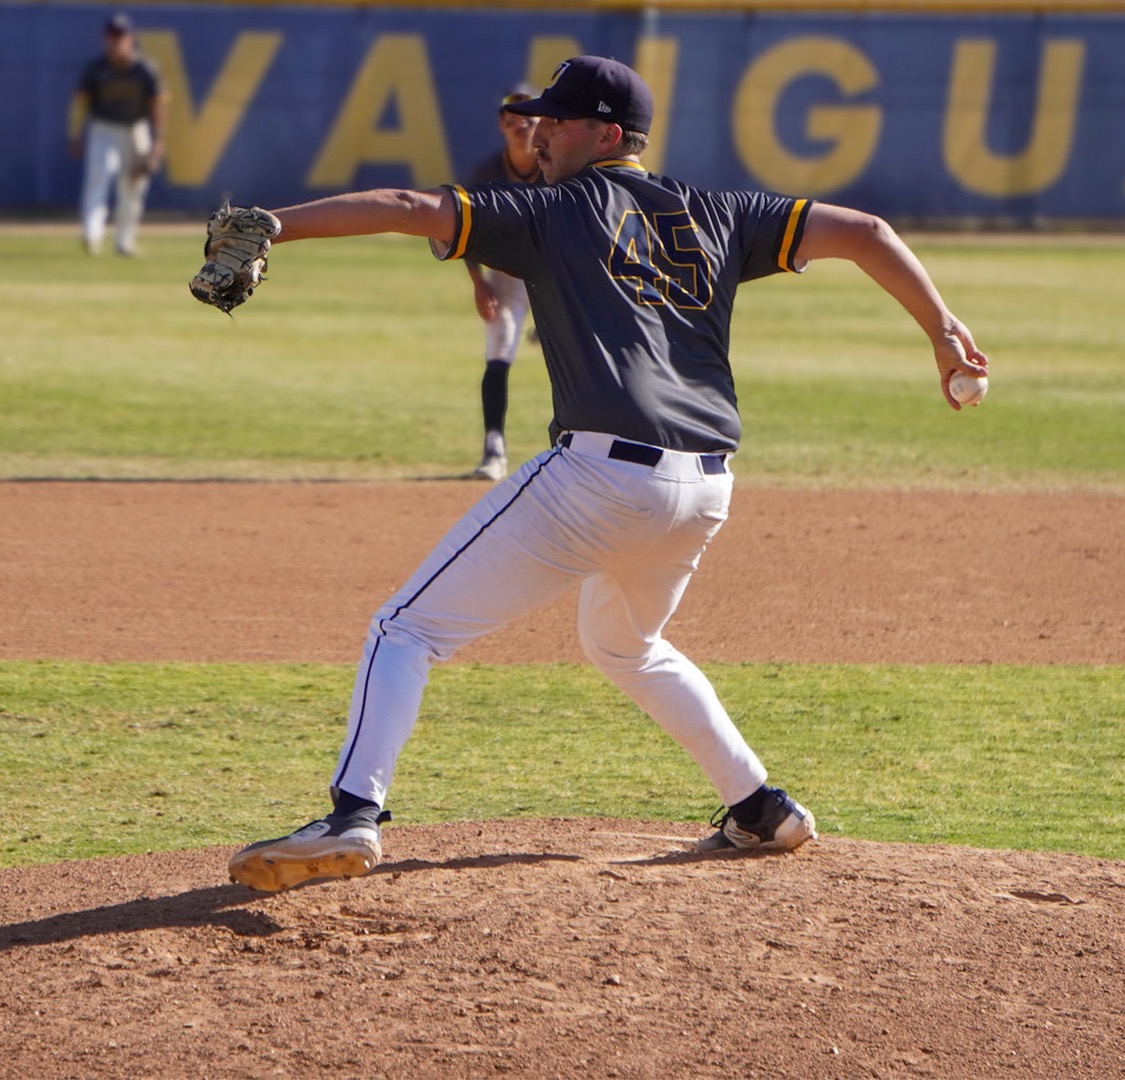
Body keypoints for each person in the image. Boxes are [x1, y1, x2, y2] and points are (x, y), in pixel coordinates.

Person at [221, 56, 989, 893]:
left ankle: (351, 815)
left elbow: (410, 208)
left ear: (608, 135)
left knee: (404, 629)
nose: (538, 133)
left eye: (557, 120)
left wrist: (271, 225)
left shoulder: (556, 209)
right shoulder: (720, 211)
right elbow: (867, 232)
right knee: (624, 642)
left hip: (600, 478)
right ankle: (760, 807)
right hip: (705, 488)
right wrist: (944, 330)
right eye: (536, 119)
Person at [459, 83, 546, 480]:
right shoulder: (487, 174)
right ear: (502, 123)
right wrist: (479, 282)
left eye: (529, 118)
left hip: (552, 273)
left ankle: (574, 448)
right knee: (499, 348)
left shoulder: (557, 169)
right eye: (513, 119)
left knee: (577, 351)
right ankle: (494, 449)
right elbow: (463, 231)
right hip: (508, 274)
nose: (521, 125)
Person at [67, 13, 167, 257]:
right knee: (99, 176)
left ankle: (124, 241)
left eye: (120, 37)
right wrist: (75, 132)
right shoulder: (96, 69)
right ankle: (92, 235)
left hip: (135, 128)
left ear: (130, 39)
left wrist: (158, 143)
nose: (115, 42)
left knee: (133, 185)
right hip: (104, 128)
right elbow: (80, 104)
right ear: (105, 40)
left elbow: (157, 107)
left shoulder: (144, 69)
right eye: (111, 38)